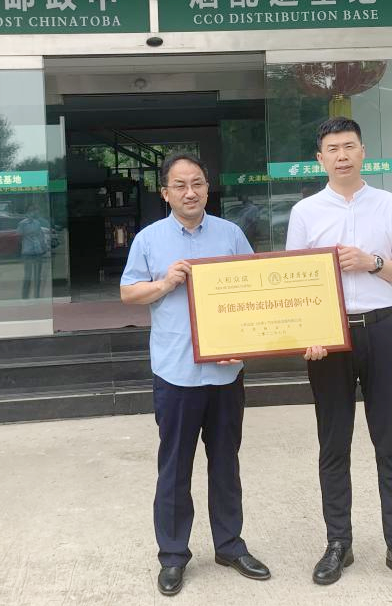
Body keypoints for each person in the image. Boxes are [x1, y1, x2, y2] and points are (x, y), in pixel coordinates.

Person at [285, 117, 392, 594]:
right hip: (329, 340)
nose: (342, 155)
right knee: (333, 444)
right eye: (333, 149)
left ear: (363, 152)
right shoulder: (305, 212)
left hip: (381, 330)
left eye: (349, 146)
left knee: (390, 442)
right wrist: (307, 333)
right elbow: (293, 283)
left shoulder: (389, 205)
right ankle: (338, 543)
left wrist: (373, 263)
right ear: (320, 159)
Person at [120, 152, 270, 597]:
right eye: (180, 185)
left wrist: (243, 344)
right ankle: (172, 555)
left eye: (198, 183)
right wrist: (165, 283)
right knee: (174, 468)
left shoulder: (230, 234)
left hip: (225, 374)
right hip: (176, 373)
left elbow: (256, 290)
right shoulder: (148, 239)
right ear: (165, 193)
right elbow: (129, 292)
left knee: (226, 463)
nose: (191, 192)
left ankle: (230, 545)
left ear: (207, 187)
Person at [18, 205, 49, 299]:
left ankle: (37, 295)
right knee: (28, 276)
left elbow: (41, 236)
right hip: (27, 252)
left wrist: (44, 248)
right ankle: (25, 297)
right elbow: (19, 237)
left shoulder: (37, 223)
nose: (33, 213)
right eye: (31, 211)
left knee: (37, 276)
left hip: (37, 252)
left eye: (35, 211)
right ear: (27, 212)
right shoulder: (22, 224)